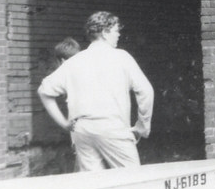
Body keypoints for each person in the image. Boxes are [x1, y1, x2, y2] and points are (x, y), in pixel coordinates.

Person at [38, 11, 154, 171]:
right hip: (113, 128)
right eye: (116, 30)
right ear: (105, 33)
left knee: (91, 187)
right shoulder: (122, 57)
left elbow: (44, 91)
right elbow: (146, 91)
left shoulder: (75, 61)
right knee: (132, 182)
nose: (119, 34)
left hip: (83, 131)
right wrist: (143, 126)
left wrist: (65, 124)